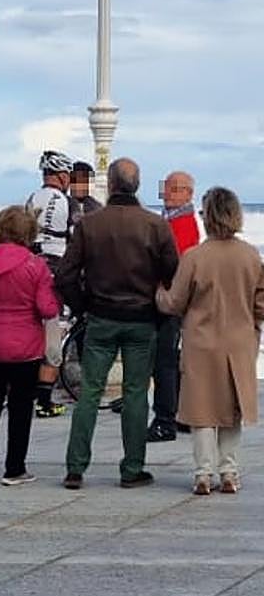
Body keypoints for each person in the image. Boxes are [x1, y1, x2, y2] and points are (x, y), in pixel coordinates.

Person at [56, 158, 178, 490]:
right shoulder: (156, 225)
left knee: (90, 394)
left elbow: (65, 275)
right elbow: (173, 275)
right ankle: (132, 468)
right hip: (141, 320)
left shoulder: (89, 224)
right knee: (136, 393)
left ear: (110, 185)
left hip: (100, 317)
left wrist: (82, 307)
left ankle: (75, 467)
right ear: (136, 185)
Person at [156, 187, 264, 495]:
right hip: (240, 341)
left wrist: (157, 293)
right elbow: (261, 302)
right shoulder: (250, 255)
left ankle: (203, 474)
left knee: (201, 409)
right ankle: (229, 470)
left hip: (201, 342)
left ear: (208, 216)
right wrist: (252, 323)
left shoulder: (194, 257)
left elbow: (174, 303)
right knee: (232, 409)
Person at [0, 207, 59, 485]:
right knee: (20, 407)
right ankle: (14, 468)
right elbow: (45, 307)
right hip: (24, 346)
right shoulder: (35, 266)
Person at [149, 170, 202, 444]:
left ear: (188, 194)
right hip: (169, 298)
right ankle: (179, 415)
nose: (169, 192)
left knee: (165, 361)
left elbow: (176, 264)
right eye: (167, 187)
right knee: (170, 359)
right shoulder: (171, 219)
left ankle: (165, 419)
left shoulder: (183, 222)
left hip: (170, 299)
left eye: (176, 188)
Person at [25, 150, 73, 420]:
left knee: (31, 329)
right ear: (63, 176)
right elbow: (75, 238)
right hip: (55, 270)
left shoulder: (32, 199)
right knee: (54, 333)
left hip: (30, 267)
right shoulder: (65, 202)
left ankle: (29, 391)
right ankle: (44, 401)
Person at [69, 160, 102, 226]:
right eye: (77, 180)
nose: (81, 185)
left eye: (85, 181)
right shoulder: (63, 204)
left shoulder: (98, 208)